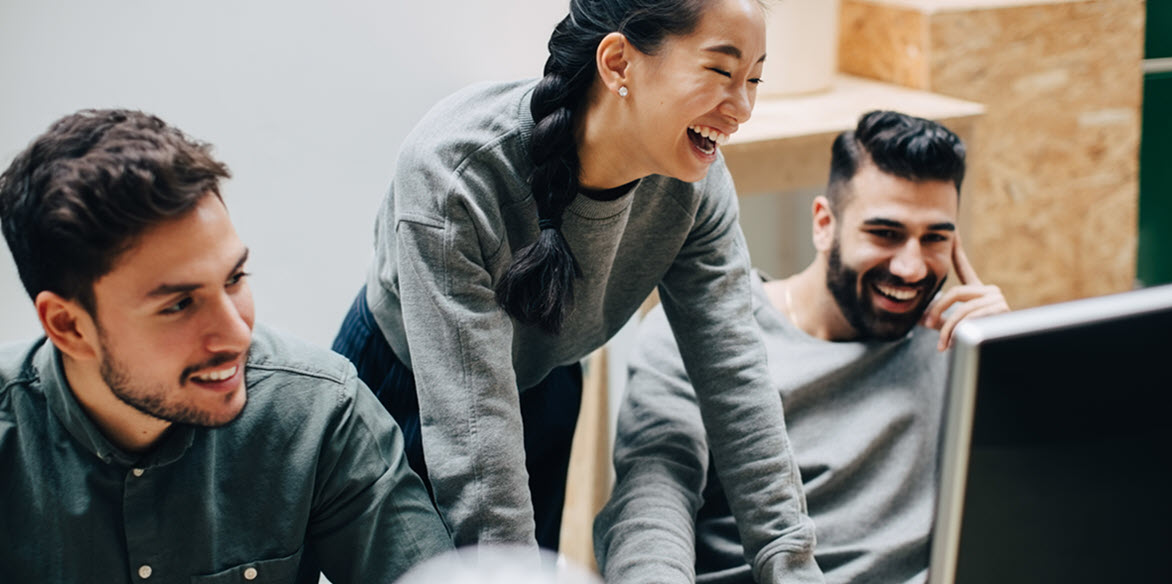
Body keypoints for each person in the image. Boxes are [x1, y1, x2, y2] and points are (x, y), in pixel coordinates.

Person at [333, 0, 821, 579]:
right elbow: (475, 442)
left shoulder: (698, 187)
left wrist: (790, 561)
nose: (742, 108)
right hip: (401, 396)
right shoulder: (453, 173)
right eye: (720, 71)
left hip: (545, 387)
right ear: (618, 64)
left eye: (755, 79)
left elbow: (736, 376)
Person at [0, 109, 453, 583]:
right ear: (69, 326)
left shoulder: (319, 413)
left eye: (234, 278)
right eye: (179, 304)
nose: (237, 335)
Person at [595, 110, 1010, 583]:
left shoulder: (956, 344)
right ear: (823, 224)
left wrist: (1013, 374)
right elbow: (652, 502)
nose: (911, 269)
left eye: (935, 239)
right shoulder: (700, 330)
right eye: (885, 234)